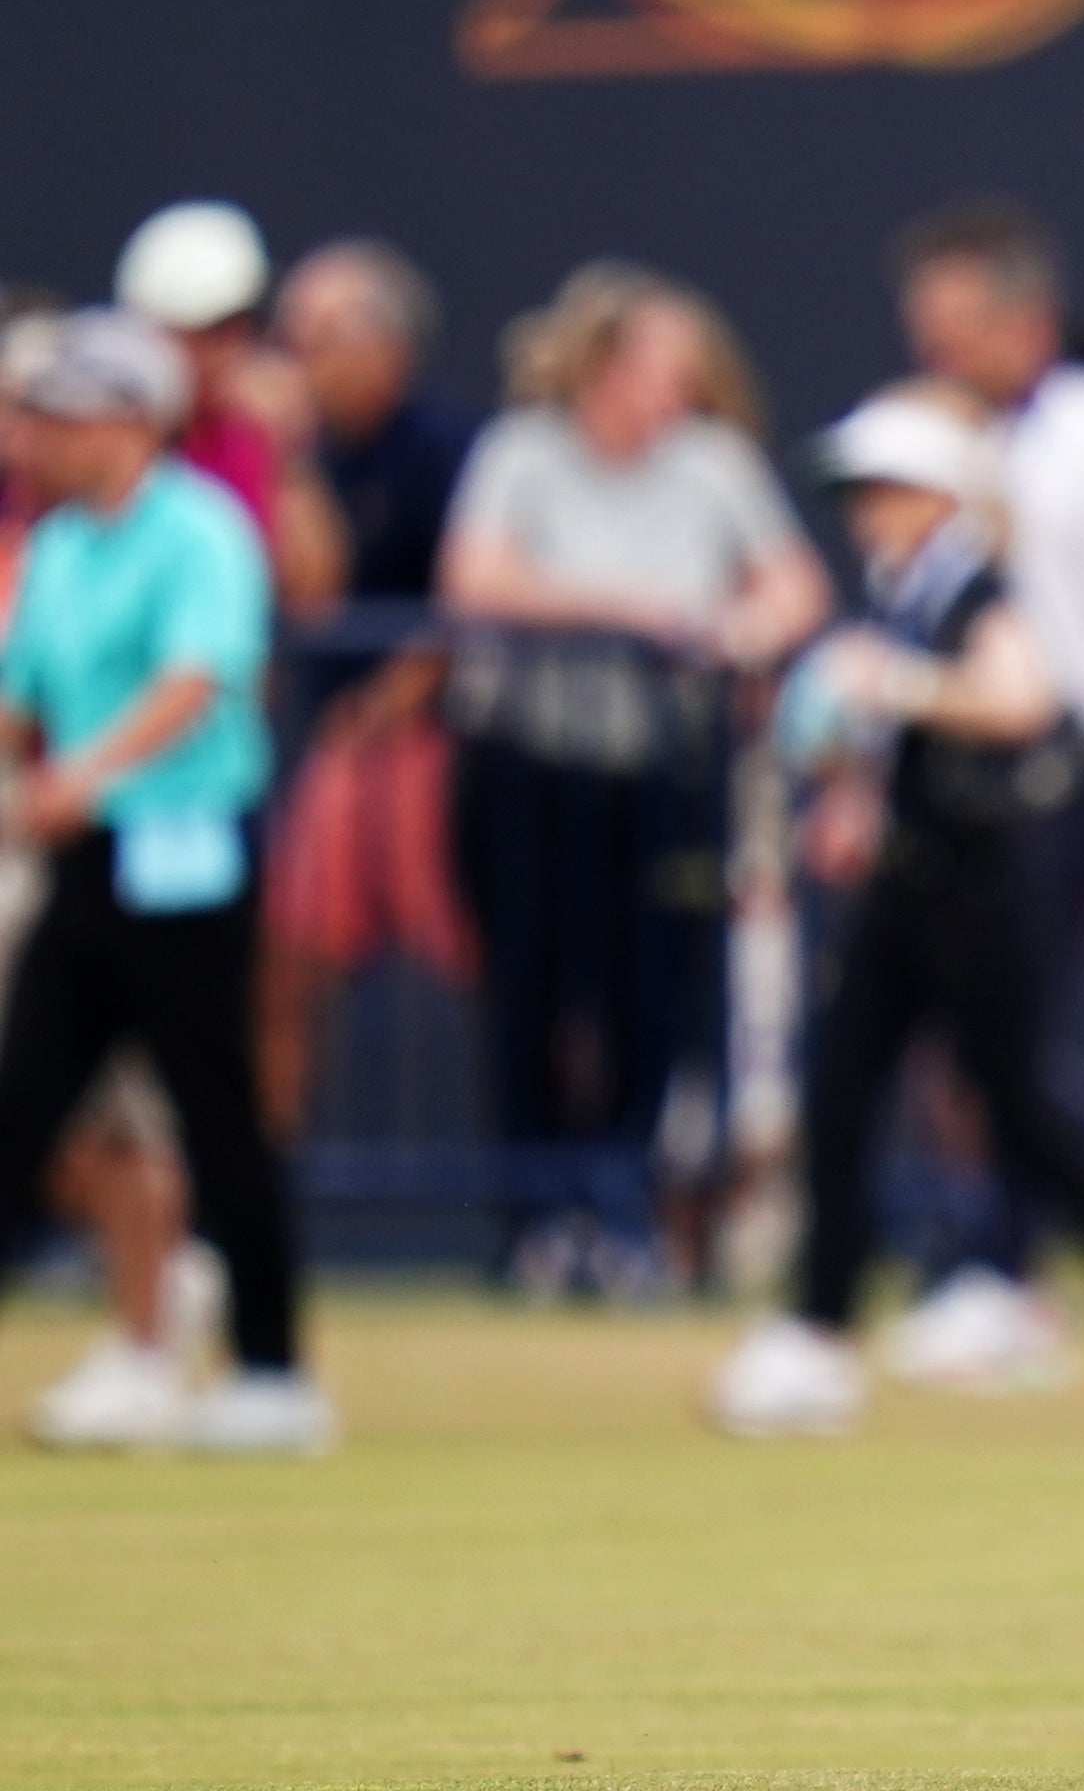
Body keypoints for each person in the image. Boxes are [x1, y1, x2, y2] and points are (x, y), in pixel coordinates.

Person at [876, 198, 1084, 1390]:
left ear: (1026, 315)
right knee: (993, 1039)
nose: (940, 350)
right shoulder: (972, 438)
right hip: (1002, 776)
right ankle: (1010, 1263)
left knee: (1009, 1042)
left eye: (960, 324)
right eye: (927, 327)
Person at [438, 264, 830, 1289]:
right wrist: (636, 613)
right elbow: (477, 576)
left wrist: (745, 625)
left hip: (663, 765)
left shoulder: (714, 463)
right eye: (658, 371)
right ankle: (533, 1213)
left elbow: (793, 584)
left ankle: (622, 1207)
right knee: (529, 988)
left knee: (651, 995)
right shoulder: (522, 450)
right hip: (530, 757)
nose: (674, 395)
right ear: (598, 366)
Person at [0, 312, 329, 1452]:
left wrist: (83, 774)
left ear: (132, 421)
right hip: (90, 863)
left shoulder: (201, 529)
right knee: (23, 1102)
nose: (36, 435)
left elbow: (200, 679)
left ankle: (276, 1373)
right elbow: (20, 693)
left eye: (64, 415)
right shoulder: (58, 544)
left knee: (217, 1111)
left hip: (187, 855)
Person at [259, 241, 477, 1136]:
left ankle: (564, 1198)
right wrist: (287, 462)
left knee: (481, 962)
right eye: (292, 336)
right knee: (286, 963)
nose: (296, 360)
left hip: (435, 748)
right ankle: (257, 1193)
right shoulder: (293, 457)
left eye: (321, 337)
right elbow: (310, 594)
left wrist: (395, 697)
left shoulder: (445, 448)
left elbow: (467, 597)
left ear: (389, 347)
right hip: (333, 745)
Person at [116, 201, 343, 614]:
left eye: (233, 328)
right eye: (200, 333)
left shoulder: (257, 435)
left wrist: (289, 453)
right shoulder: (100, 434)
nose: (220, 352)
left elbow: (313, 603)